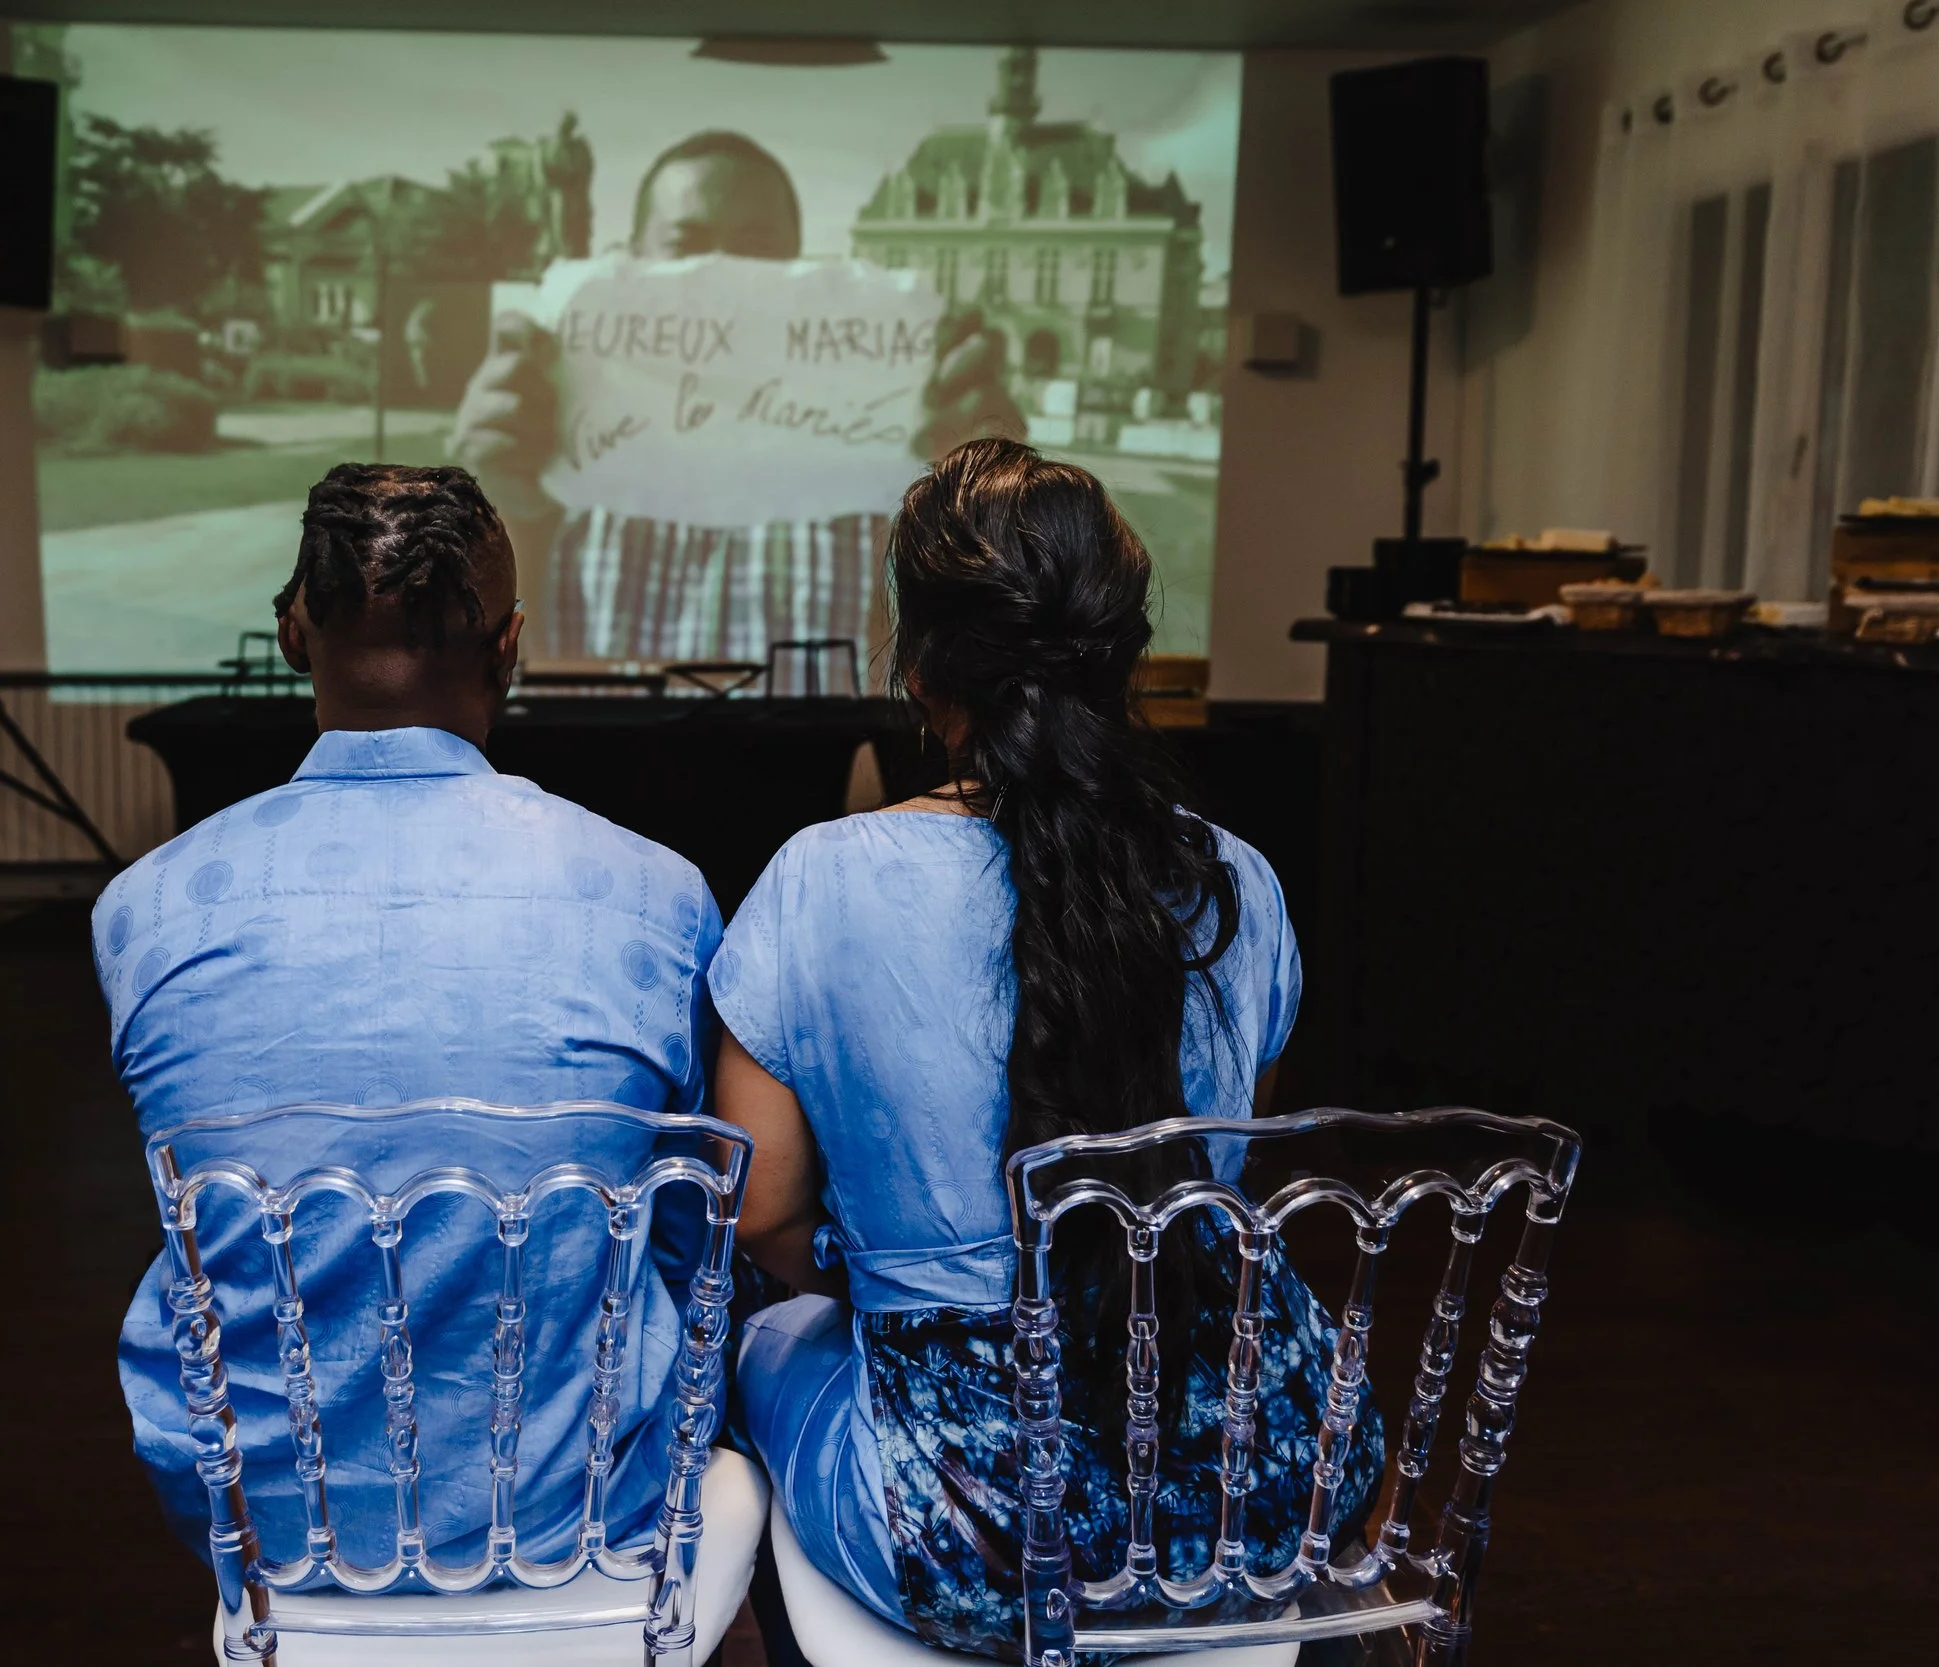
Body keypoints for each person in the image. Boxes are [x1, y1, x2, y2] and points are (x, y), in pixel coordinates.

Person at [711, 439, 1383, 1652]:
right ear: (1123, 660)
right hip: (1251, 1498)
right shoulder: (1237, 879)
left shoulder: (818, 880)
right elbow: (1224, 1164)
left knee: (745, 1339)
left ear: (919, 669)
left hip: (964, 1532)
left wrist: (908, 1286)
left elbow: (758, 1210)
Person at [93, 463, 724, 1578]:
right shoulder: (656, 895)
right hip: (572, 1526)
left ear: (293, 629)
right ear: (511, 642)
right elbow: (678, 1236)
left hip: (272, 1531)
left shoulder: (143, 908)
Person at [451, 129, 1025, 667]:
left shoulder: (873, 462)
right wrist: (493, 498)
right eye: (687, 244)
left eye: (755, 251)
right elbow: (494, 673)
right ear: (632, 265)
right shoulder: (556, 442)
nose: (718, 276)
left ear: (796, 272)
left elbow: (973, 651)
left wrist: (987, 490)